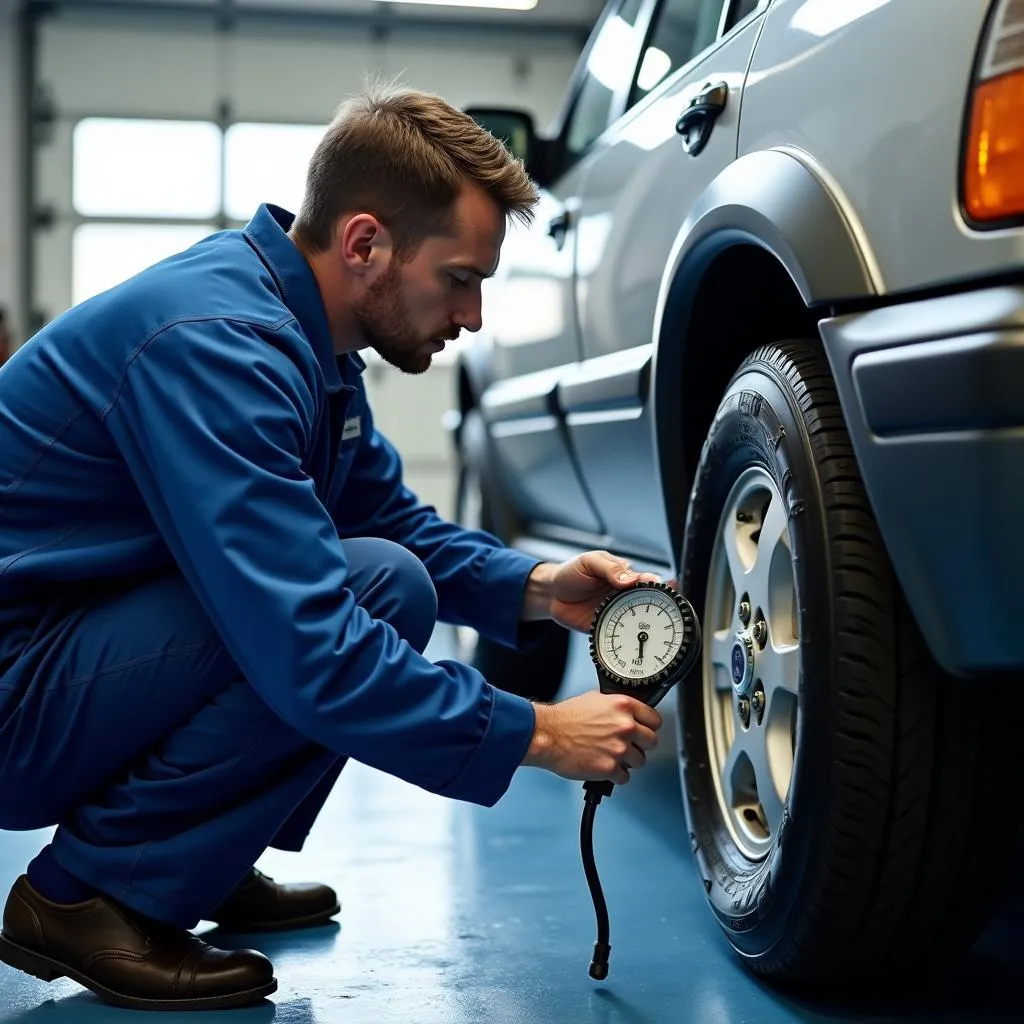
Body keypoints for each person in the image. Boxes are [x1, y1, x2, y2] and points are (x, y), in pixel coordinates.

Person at [0, 84, 666, 1012]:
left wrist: (544, 588)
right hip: (18, 696)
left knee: (385, 576)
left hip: (70, 658)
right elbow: (308, 643)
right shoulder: (223, 345)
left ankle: (190, 860)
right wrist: (542, 732)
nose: (472, 318)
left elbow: (390, 522)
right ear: (365, 245)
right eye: (461, 278)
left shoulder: (307, 341)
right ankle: (89, 896)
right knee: (361, 601)